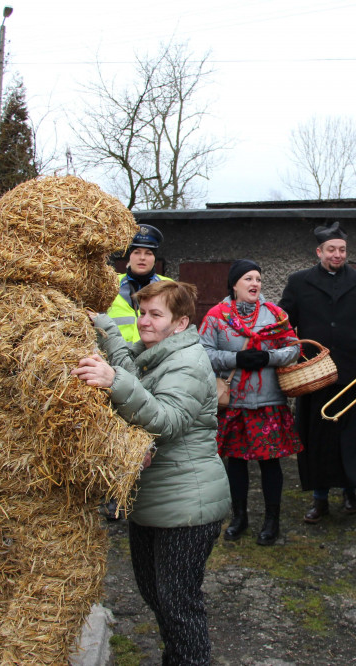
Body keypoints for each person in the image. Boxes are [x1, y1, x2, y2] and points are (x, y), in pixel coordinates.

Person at [72, 280, 230, 666]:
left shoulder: (190, 362)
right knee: (154, 594)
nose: (144, 321)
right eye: (142, 312)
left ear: (180, 323)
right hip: (155, 500)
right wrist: (107, 330)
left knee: (178, 604)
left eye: (155, 314)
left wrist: (114, 381)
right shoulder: (156, 352)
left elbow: (167, 420)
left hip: (188, 505)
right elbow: (133, 373)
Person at [278, 221, 356, 522]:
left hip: (353, 373)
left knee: (351, 436)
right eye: (331, 250)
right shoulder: (299, 282)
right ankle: (319, 497)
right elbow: (285, 327)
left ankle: (350, 490)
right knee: (318, 438)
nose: (337, 255)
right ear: (319, 251)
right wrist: (288, 360)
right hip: (314, 375)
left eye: (342, 250)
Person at [200, 259, 302, 546]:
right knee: (236, 463)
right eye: (248, 278)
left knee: (270, 464)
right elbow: (202, 352)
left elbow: (294, 348)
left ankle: (272, 521)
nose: (255, 283)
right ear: (234, 284)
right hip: (233, 403)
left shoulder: (275, 314)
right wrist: (237, 359)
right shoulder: (216, 316)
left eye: (258, 278)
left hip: (269, 401)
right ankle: (239, 517)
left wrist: (269, 357)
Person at [107, 223, 172, 342]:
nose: (142, 258)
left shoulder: (169, 286)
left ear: (155, 259)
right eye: (137, 252)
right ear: (129, 256)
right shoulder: (110, 284)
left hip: (154, 358)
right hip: (115, 357)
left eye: (148, 253)